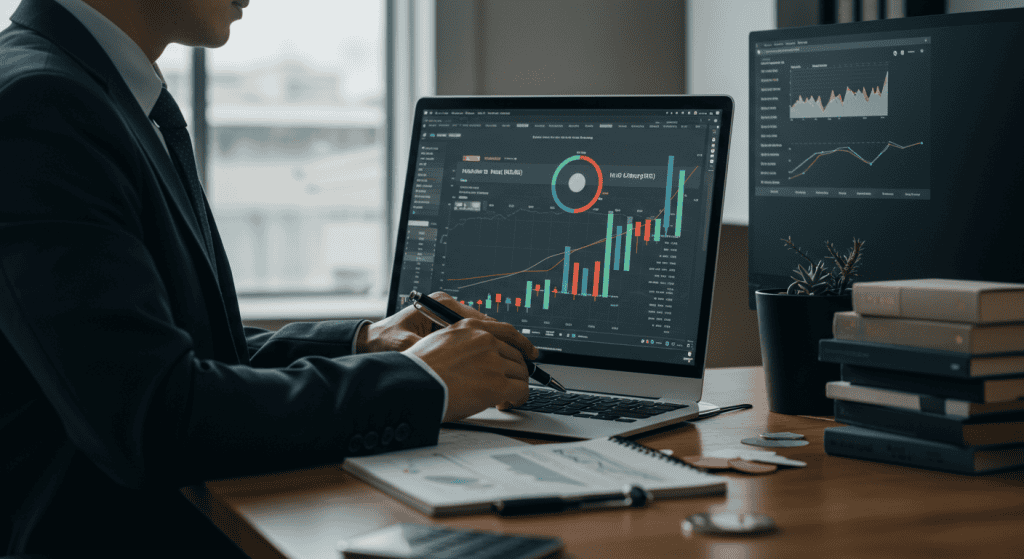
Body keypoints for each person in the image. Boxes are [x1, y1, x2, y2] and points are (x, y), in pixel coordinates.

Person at [0, 0, 536, 556]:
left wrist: (364, 343)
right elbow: (155, 418)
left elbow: (170, 350)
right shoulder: (42, 104)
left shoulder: (85, 89)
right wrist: (423, 382)